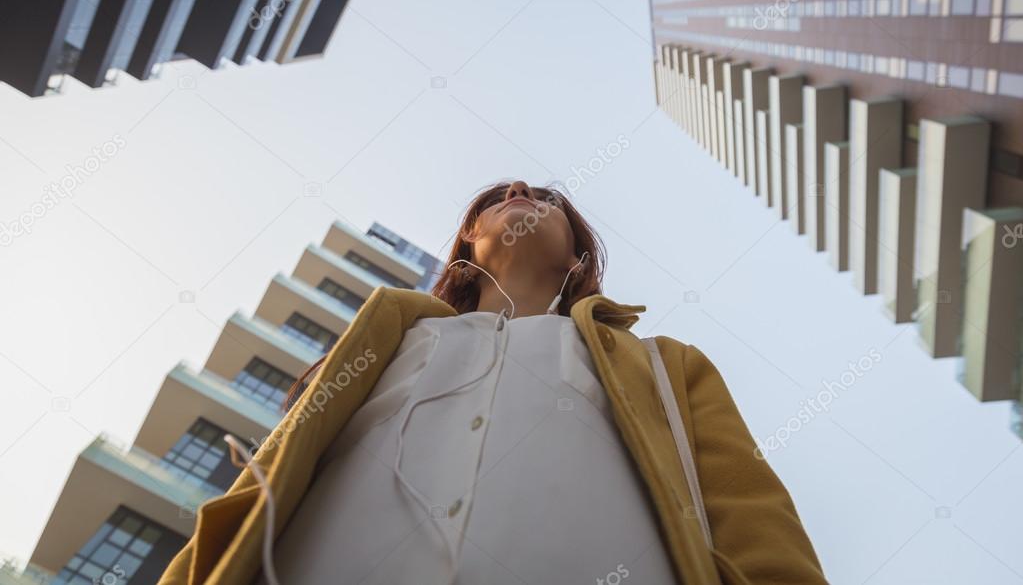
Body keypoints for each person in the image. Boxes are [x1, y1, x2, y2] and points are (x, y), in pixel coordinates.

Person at [158, 181, 826, 585]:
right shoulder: (380, 344)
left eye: (539, 198)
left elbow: (755, 524)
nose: (518, 198)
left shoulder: (663, 365)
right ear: (467, 244)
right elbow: (236, 514)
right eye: (497, 200)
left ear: (574, 258)